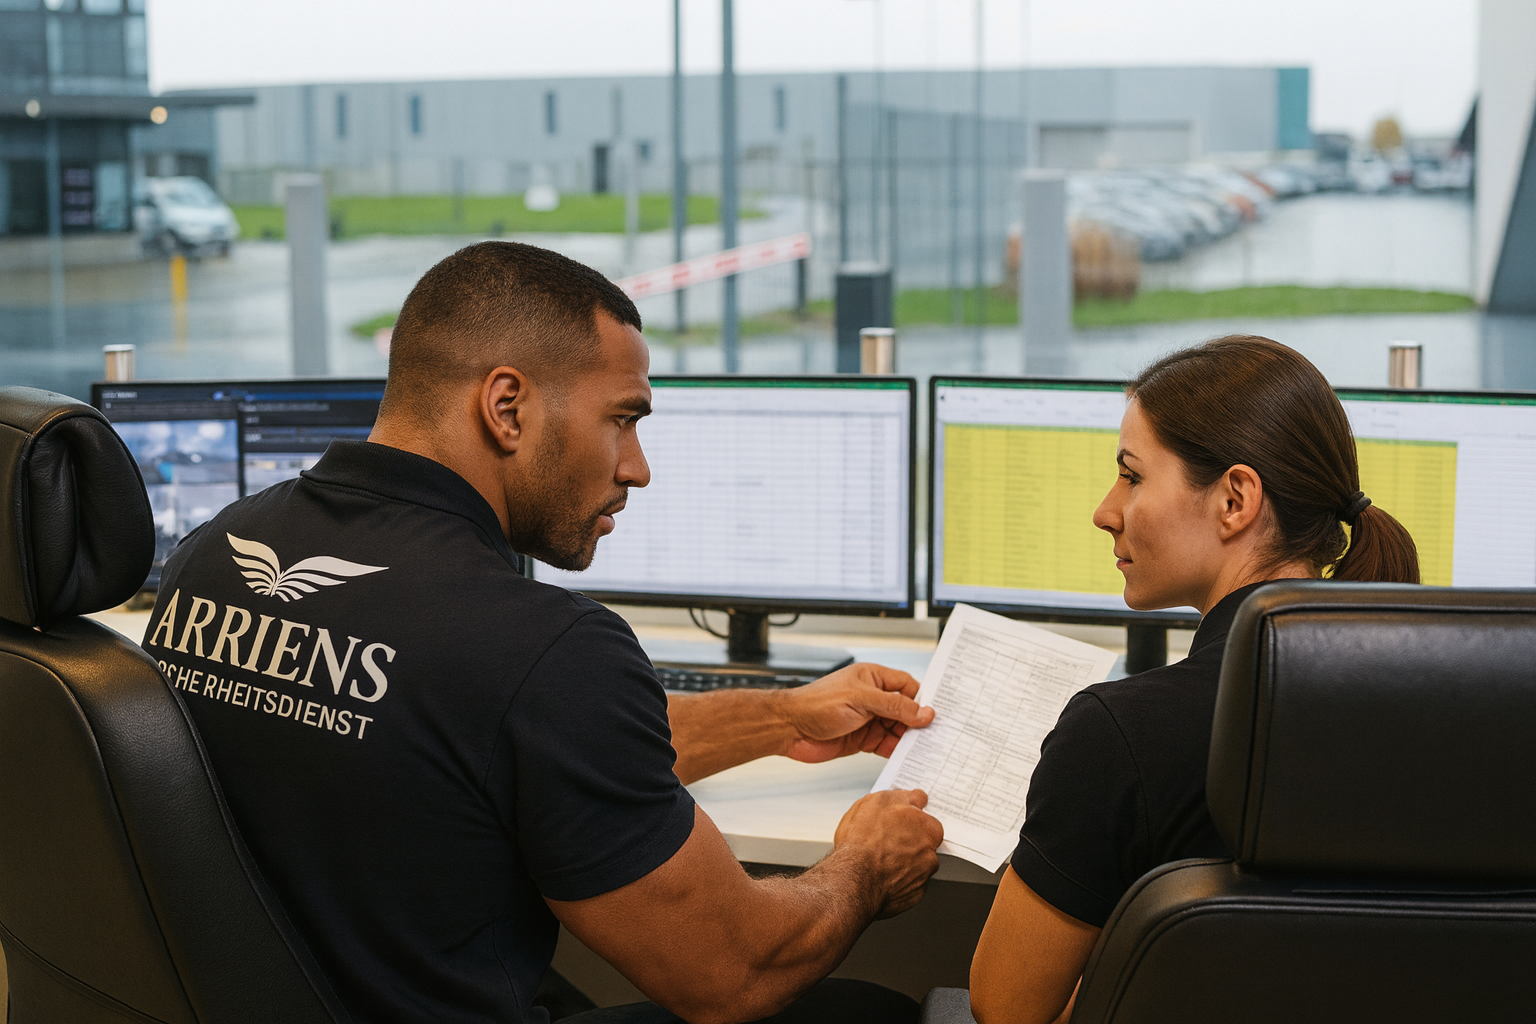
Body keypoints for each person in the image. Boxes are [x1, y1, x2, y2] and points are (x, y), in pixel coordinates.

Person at [143, 241, 944, 1024]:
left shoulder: (215, 552)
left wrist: (781, 717)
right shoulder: (541, 646)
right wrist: (866, 865)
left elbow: (492, 745)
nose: (638, 467)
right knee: (866, 1008)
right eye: (623, 419)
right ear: (507, 407)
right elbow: (734, 974)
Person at [967, 335, 1421, 1024]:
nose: (1105, 509)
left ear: (1235, 499)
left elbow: (1006, 1008)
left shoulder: (1120, 735)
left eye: (1132, 475)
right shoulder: (1449, 714)